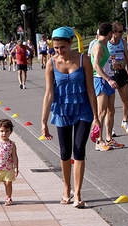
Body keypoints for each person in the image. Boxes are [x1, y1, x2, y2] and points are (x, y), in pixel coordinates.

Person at [41, 26, 100, 208]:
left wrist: (96, 117)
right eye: (56, 48)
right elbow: (49, 93)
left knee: (79, 149)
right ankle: (66, 189)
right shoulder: (51, 63)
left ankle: (78, 194)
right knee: (65, 152)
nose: (59, 51)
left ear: (70, 43)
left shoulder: (84, 60)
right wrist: (43, 121)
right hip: (62, 110)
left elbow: (91, 90)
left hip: (83, 110)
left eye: (62, 47)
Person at [91, 22, 124, 151]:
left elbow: (104, 63)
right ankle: (98, 140)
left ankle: (109, 138)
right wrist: (109, 79)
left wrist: (114, 65)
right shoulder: (98, 45)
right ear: (110, 33)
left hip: (108, 79)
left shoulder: (104, 45)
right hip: (101, 80)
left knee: (111, 110)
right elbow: (96, 66)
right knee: (102, 112)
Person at [108, 22, 128, 135]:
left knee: (126, 101)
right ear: (113, 32)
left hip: (121, 72)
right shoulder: (107, 43)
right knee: (110, 105)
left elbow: (127, 58)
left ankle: (125, 121)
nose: (122, 33)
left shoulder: (123, 42)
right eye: (119, 31)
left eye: (122, 31)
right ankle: (110, 127)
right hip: (110, 74)